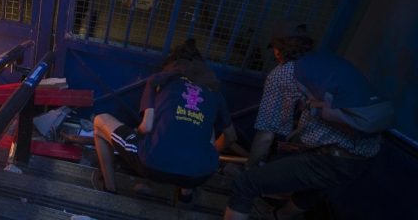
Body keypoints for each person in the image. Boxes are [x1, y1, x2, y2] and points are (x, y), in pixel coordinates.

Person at [224, 21, 381, 220]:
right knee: (312, 189)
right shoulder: (330, 62)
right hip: (366, 155)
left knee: (245, 184)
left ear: (279, 51)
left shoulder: (283, 74)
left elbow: (266, 134)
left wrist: (251, 167)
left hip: (330, 158)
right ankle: (277, 216)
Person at [93, 39, 237, 201]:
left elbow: (146, 127)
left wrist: (136, 134)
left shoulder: (159, 80)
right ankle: (185, 197)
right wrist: (209, 152)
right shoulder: (214, 90)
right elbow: (231, 137)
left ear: (172, 63)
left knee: (100, 121)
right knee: (200, 130)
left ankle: (109, 189)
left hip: (153, 163)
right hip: (200, 173)